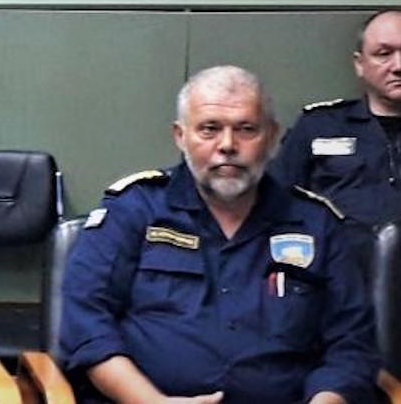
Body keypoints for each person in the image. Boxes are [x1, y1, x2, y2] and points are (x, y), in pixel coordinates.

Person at [60, 65, 379, 403]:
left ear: (271, 137)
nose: (227, 145)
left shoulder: (316, 223)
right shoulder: (134, 209)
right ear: (180, 136)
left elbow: (351, 344)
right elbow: (86, 322)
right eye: (209, 129)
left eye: (246, 129)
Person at [271, 10, 401, 228]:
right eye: (384, 54)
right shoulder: (319, 126)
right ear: (360, 64)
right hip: (335, 248)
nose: (398, 66)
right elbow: (274, 202)